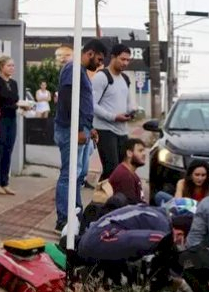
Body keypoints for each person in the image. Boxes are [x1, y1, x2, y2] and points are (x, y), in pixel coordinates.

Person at [54, 39, 107, 232]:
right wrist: (76, 129)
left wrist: (89, 127)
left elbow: (81, 102)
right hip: (70, 130)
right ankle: (63, 218)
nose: (100, 64)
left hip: (82, 128)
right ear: (90, 53)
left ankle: (75, 214)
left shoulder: (82, 72)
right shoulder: (73, 69)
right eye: (99, 59)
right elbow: (67, 99)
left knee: (79, 175)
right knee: (69, 174)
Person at [77, 202, 182, 288]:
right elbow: (165, 246)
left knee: (151, 246)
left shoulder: (149, 213)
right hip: (99, 239)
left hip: (92, 241)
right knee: (161, 239)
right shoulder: (161, 221)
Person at [92, 44, 135, 180]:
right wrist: (113, 117)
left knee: (122, 170)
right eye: (122, 59)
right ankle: (100, 200)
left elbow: (128, 103)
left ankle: (114, 199)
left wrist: (131, 112)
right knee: (111, 169)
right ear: (113, 57)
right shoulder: (102, 77)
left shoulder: (125, 79)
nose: (125, 63)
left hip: (122, 131)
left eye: (128, 60)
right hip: (105, 130)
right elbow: (91, 104)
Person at [0, 55, 20, 195]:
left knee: (8, 149)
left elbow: (15, 100)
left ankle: (5, 181)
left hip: (11, 118)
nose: (12, 68)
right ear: (1, 66)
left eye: (13, 65)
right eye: (9, 65)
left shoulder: (13, 83)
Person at [108, 138, 146, 204]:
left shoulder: (130, 173)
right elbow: (131, 208)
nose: (144, 154)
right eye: (140, 151)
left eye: (144, 151)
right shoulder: (125, 176)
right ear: (129, 153)